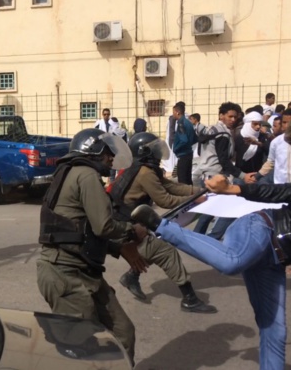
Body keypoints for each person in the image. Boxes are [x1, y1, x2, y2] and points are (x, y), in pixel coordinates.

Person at [132, 173, 291, 370]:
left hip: (274, 260)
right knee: (232, 262)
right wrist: (233, 189)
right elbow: (280, 191)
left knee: (275, 330)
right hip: (259, 227)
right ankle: (159, 225)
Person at [36, 128, 149, 365]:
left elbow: (80, 230)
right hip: (65, 273)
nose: (110, 158)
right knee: (81, 348)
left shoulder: (71, 173)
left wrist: (118, 248)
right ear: (93, 151)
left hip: (85, 271)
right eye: (107, 153)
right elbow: (103, 226)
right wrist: (131, 231)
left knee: (123, 332)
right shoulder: (86, 175)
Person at [110, 132, 216, 313]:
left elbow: (171, 186)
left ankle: (132, 276)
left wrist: (200, 190)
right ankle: (189, 299)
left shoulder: (144, 168)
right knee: (166, 252)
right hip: (126, 227)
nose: (159, 152)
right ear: (145, 152)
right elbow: (165, 200)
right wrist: (194, 200)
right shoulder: (144, 173)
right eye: (155, 149)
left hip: (133, 222)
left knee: (159, 242)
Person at [193, 102, 255, 238]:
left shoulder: (212, 129)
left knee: (210, 210)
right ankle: (211, 237)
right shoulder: (223, 134)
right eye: (230, 116)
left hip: (207, 174)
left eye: (235, 117)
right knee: (230, 206)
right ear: (221, 116)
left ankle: (198, 237)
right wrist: (242, 175)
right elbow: (224, 161)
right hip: (215, 176)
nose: (233, 120)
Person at [255, 109, 291, 185]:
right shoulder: (276, 142)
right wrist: (256, 176)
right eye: (284, 122)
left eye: (289, 122)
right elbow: (270, 163)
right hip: (280, 186)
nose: (287, 126)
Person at [171, 102, 197, 185]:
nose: (173, 114)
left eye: (173, 112)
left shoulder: (181, 123)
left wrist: (175, 148)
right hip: (189, 154)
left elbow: (183, 140)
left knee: (182, 181)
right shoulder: (188, 122)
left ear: (177, 112)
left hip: (183, 155)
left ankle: (187, 197)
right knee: (188, 179)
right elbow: (195, 139)